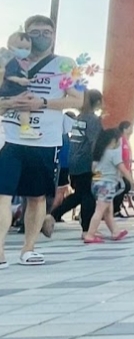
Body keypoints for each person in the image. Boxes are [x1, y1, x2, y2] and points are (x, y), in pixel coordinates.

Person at [0, 15, 83, 268]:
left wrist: (43, 103)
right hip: (10, 139)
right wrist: (12, 103)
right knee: (2, 194)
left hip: (45, 141)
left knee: (37, 197)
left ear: (54, 35)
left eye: (47, 32)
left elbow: (78, 100)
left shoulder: (66, 65)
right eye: (35, 32)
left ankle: (29, 248)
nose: (41, 37)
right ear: (25, 35)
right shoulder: (6, 62)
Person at [51, 89, 103, 230]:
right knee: (89, 194)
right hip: (87, 162)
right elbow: (95, 143)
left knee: (80, 193)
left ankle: (53, 214)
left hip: (74, 161)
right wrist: (98, 163)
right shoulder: (93, 120)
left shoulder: (79, 118)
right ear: (98, 102)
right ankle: (87, 229)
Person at [83, 128, 134, 244]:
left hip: (97, 184)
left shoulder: (100, 153)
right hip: (108, 185)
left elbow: (94, 170)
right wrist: (131, 181)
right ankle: (90, 234)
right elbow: (123, 169)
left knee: (108, 212)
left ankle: (115, 232)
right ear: (113, 141)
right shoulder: (113, 154)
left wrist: (97, 182)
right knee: (100, 211)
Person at [0, 31, 37, 139]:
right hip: (12, 90)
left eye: (27, 49)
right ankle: (25, 128)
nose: (24, 51)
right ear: (10, 46)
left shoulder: (22, 61)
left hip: (12, 91)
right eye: (20, 47)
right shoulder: (11, 60)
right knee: (25, 106)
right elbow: (8, 75)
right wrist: (19, 80)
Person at [112, 121, 134, 217]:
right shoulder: (120, 140)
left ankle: (115, 208)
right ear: (125, 129)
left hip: (125, 169)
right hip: (119, 171)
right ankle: (114, 209)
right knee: (123, 186)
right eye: (129, 127)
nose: (131, 129)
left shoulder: (126, 141)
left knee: (125, 186)